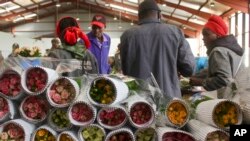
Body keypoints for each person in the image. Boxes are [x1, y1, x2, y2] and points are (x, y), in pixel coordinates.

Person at [120, 0, 195, 98]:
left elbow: (125, 70)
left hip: (138, 102)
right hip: (169, 101)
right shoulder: (175, 32)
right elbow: (189, 68)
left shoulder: (127, 36)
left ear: (139, 16)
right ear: (159, 15)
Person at [189, 15, 244, 99]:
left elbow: (224, 80)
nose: (203, 39)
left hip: (228, 99)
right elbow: (218, 69)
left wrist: (201, 82)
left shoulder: (218, 51)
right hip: (239, 96)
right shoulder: (230, 48)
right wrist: (196, 75)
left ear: (218, 35)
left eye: (206, 35)